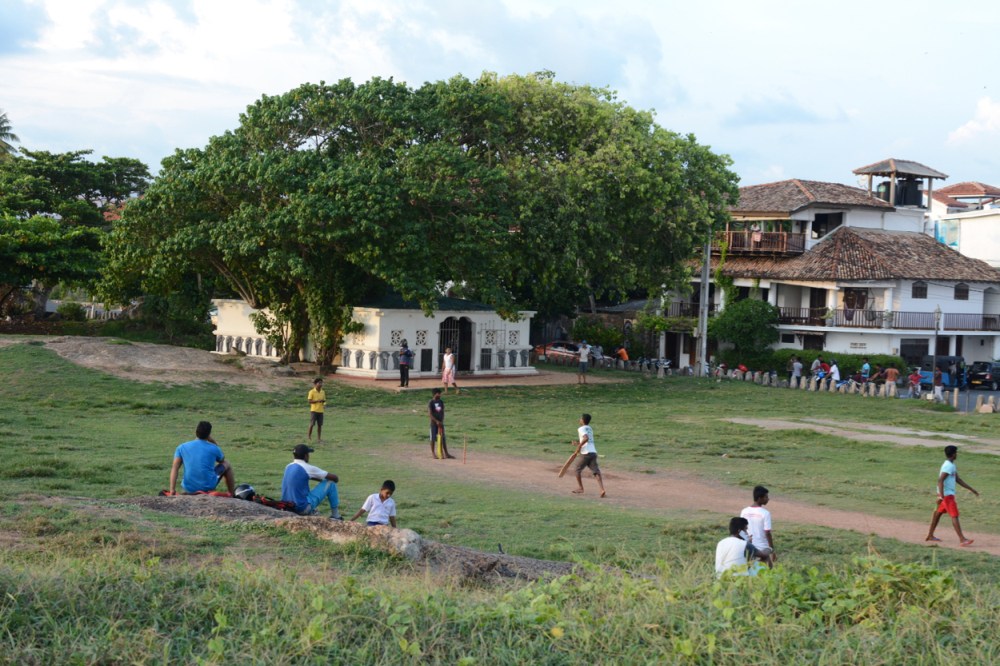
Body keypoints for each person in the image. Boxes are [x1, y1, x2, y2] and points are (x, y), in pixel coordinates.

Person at [926, 445, 978, 546]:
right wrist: (941, 496)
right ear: (954, 454)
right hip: (947, 496)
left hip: (945, 495)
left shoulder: (951, 465)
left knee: (937, 515)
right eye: (956, 452)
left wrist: (971, 489)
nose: (957, 454)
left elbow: (958, 479)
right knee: (954, 516)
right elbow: (940, 480)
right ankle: (962, 539)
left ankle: (930, 535)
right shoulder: (948, 466)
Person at [168, 421, 236, 496]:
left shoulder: (182, 447)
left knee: (176, 467)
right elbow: (221, 459)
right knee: (227, 463)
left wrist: (172, 490)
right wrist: (213, 442)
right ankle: (231, 494)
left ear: (195, 431)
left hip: (188, 488)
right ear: (209, 434)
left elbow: (175, 468)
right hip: (207, 487)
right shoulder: (214, 448)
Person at [280, 444, 341, 519]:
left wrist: (319, 478)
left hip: (286, 506)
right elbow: (335, 478)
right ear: (306, 456)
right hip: (301, 509)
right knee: (330, 483)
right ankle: (336, 515)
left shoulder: (288, 466)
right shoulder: (307, 468)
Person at [571, 413, 606, 497]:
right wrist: (578, 443)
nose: (579, 420)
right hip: (593, 452)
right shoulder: (589, 428)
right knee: (596, 472)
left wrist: (579, 447)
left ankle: (580, 488)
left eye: (580, 418)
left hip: (585, 453)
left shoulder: (581, 428)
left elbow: (586, 438)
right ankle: (602, 489)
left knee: (577, 469)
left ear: (582, 420)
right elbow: (587, 440)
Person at [740, 485, 775, 567]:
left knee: (750, 569)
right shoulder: (765, 513)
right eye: (766, 497)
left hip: (748, 546)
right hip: (763, 548)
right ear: (760, 498)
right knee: (768, 570)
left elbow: (742, 530)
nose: (768, 499)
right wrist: (772, 550)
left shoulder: (744, 511)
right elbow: (767, 533)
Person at [428, 388, 454, 459]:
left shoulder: (441, 402)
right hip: (433, 424)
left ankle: (446, 453)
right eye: (439, 393)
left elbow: (442, 412)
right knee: (433, 438)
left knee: (443, 438)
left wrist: (441, 421)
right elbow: (430, 414)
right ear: (435, 394)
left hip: (441, 423)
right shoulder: (431, 402)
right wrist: (436, 421)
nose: (440, 395)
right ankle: (433, 453)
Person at [307, 377, 326, 443]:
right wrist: (317, 401)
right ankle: (309, 437)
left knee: (320, 425)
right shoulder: (311, 392)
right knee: (312, 424)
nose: (321, 384)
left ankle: (319, 438)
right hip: (314, 410)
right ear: (315, 384)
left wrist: (324, 404)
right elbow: (309, 401)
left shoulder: (323, 392)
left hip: (321, 411)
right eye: (319, 383)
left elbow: (324, 400)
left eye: (321, 383)